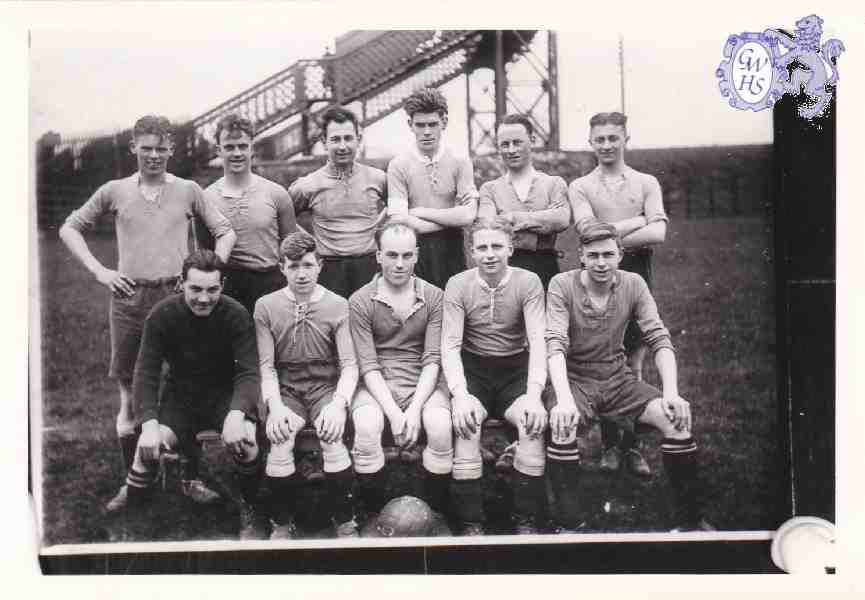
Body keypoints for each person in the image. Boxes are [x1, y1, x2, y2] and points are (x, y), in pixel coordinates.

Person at [58, 115, 236, 505]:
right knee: (129, 392)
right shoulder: (114, 190)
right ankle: (136, 484)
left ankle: (189, 478)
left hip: (179, 300)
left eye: (161, 148)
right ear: (134, 148)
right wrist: (102, 272)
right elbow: (69, 228)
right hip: (130, 299)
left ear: (172, 150)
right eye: (147, 147)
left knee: (186, 390)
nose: (154, 155)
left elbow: (225, 231)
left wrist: (209, 271)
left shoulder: (188, 190)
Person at [544, 220, 713, 532]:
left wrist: (672, 392)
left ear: (620, 254)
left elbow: (659, 338)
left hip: (617, 378)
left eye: (608, 254)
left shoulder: (634, 283)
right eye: (593, 255)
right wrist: (564, 400)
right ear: (581, 255)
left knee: (674, 418)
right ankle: (569, 526)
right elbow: (554, 343)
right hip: (574, 379)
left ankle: (691, 523)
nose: (600, 262)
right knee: (563, 424)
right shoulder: (561, 284)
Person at [106, 250, 265, 539]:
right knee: (147, 447)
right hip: (181, 397)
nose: (204, 298)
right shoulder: (162, 314)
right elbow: (146, 373)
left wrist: (236, 413)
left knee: (247, 441)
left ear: (222, 285)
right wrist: (150, 424)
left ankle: (253, 511)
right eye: (196, 289)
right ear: (181, 283)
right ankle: (136, 515)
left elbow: (249, 373)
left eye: (212, 289)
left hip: (224, 397)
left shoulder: (237, 315)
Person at [568, 111, 669, 476]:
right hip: (597, 273)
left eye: (614, 137)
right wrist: (639, 221)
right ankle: (610, 447)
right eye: (600, 139)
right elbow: (586, 232)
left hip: (637, 273)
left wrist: (609, 233)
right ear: (591, 142)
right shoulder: (581, 186)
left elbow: (658, 234)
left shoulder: (646, 182)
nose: (607, 145)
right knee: (603, 360)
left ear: (627, 139)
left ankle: (632, 449)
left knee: (635, 363)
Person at [441, 217, 548, 535]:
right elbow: (450, 345)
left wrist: (533, 394)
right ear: (472, 251)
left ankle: (525, 519)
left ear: (510, 249)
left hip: (515, 369)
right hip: (473, 369)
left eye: (497, 246)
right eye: (482, 247)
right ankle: (472, 522)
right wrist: (459, 395)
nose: (490, 254)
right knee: (467, 424)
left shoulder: (528, 282)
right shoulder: (458, 284)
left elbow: (538, 340)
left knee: (530, 424)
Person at [254, 231, 360, 539]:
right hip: (287, 388)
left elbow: (350, 364)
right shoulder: (266, 306)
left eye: (308, 265)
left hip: (324, 387)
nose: (301, 273)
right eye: (294, 266)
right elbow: (266, 365)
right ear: (282, 267)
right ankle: (282, 524)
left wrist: (339, 406)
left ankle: (345, 521)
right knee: (281, 438)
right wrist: (273, 408)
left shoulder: (337, 304)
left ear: (320, 266)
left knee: (331, 434)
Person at [348, 222, 452, 520]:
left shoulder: (434, 297)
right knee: (367, 425)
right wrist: (395, 413)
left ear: (417, 255)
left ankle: (436, 514)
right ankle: (373, 515)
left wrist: (416, 408)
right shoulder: (360, 300)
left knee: (440, 425)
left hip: (424, 381)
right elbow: (367, 364)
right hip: (377, 381)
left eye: (407, 255)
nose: (399, 263)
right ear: (378, 256)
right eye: (392, 255)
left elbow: (433, 358)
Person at [289, 106, 387, 299]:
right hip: (329, 269)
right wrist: (310, 242)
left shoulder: (378, 178)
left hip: (369, 266)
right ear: (324, 142)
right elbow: (283, 216)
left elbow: (399, 206)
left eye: (348, 138)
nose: (343, 146)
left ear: (359, 139)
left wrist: (379, 228)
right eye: (335, 139)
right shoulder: (308, 185)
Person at [204, 113, 297, 315]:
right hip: (229, 289)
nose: (237, 153)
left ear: (251, 148)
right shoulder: (206, 199)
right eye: (229, 147)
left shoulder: (276, 194)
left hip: (271, 284)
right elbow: (205, 254)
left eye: (242, 146)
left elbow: (291, 250)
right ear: (219, 150)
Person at [386, 88, 478, 290]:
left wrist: (420, 212)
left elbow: (468, 215)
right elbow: (399, 220)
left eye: (432, 124)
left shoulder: (460, 161)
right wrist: (451, 218)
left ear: (444, 122)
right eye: (420, 125)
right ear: (410, 124)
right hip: (414, 250)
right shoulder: (398, 165)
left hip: (452, 248)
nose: (427, 132)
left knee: (454, 310)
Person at [477, 114, 571, 289]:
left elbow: (561, 220)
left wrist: (511, 217)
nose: (511, 150)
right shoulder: (489, 189)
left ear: (532, 140)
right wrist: (543, 219)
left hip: (545, 268)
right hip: (504, 270)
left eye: (517, 142)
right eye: (505, 144)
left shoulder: (553, 184)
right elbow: (489, 229)